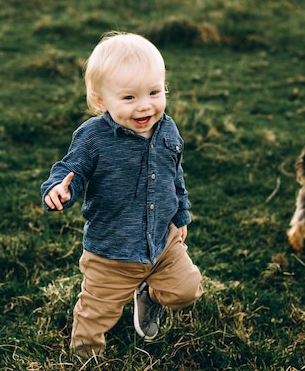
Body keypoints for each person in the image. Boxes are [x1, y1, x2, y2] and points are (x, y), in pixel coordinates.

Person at [41, 32, 203, 357]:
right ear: (102, 101)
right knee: (95, 315)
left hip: (162, 241)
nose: (145, 105)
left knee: (188, 290)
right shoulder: (93, 137)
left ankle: (148, 295)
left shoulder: (167, 129)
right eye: (129, 98)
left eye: (154, 92)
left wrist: (180, 214)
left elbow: (175, 174)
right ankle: (86, 359)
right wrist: (59, 189)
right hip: (111, 251)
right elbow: (71, 170)